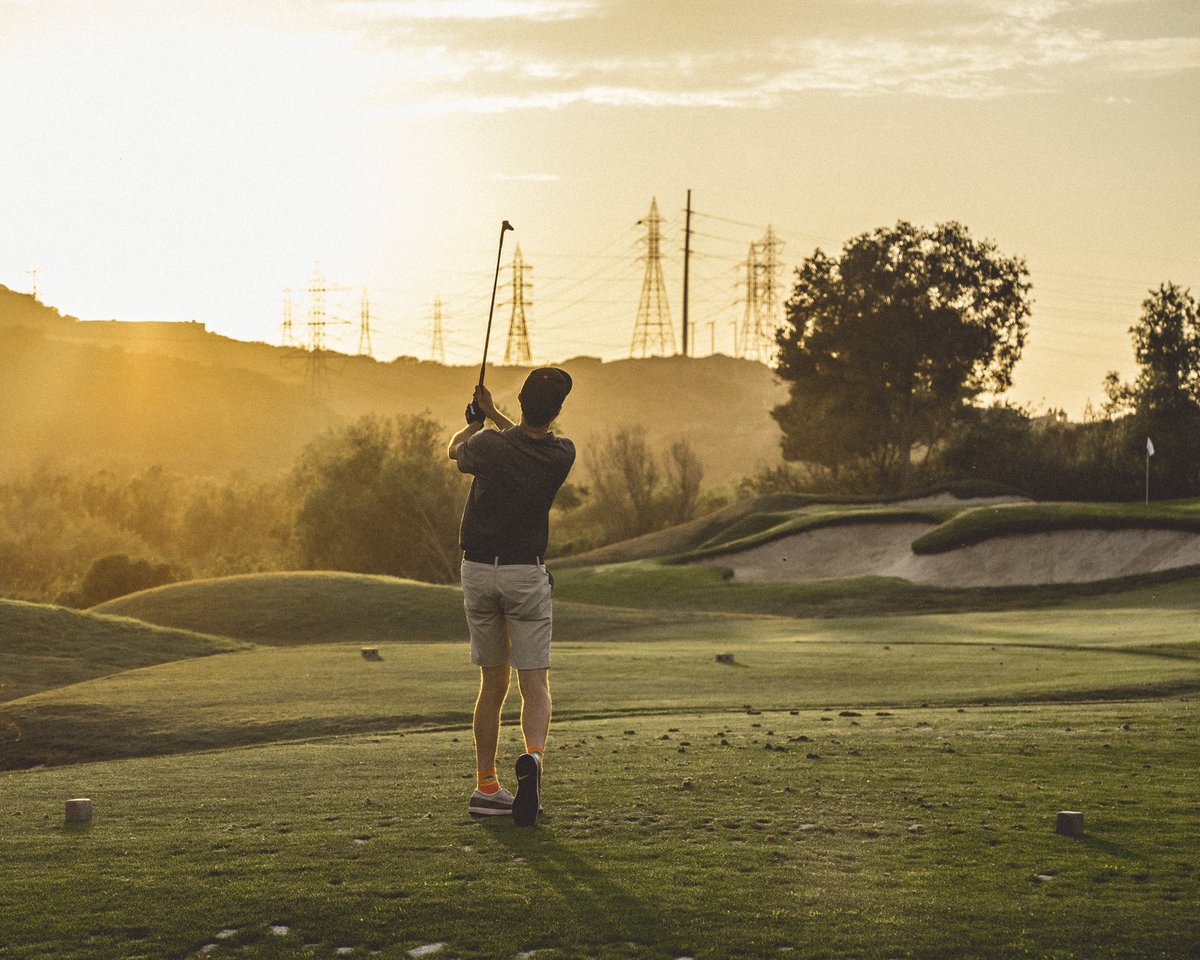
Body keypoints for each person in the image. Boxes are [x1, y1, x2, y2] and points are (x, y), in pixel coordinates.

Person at [447, 367, 575, 826]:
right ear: (557, 410)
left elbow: (454, 450)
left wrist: (477, 421)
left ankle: (485, 786)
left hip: (479, 572)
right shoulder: (562, 453)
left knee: (492, 684)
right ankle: (534, 761)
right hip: (526, 575)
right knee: (534, 682)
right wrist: (494, 415)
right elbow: (528, 441)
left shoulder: (489, 446)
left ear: (519, 399)